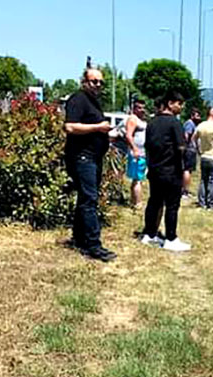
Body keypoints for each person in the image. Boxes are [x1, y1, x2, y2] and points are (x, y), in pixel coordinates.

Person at [62, 67, 116, 262]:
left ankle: (79, 238)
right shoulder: (78, 99)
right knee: (90, 200)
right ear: (84, 82)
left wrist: (106, 134)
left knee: (85, 199)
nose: (98, 85)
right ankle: (93, 245)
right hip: (82, 158)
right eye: (94, 81)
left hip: (93, 157)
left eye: (101, 82)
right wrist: (98, 127)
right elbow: (70, 126)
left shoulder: (93, 102)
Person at [140, 92, 191, 252]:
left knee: (154, 202)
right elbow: (182, 147)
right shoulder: (175, 123)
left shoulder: (152, 122)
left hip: (154, 169)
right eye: (179, 103)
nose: (181, 107)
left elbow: (147, 145)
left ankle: (149, 234)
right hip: (171, 171)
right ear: (170, 103)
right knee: (172, 206)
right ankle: (171, 238)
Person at [124, 99, 148, 208]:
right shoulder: (133, 119)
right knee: (137, 179)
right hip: (137, 153)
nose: (142, 110)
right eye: (139, 107)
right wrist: (135, 149)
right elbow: (128, 135)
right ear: (134, 108)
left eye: (143, 107)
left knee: (139, 179)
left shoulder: (141, 119)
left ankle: (134, 201)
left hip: (143, 153)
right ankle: (137, 203)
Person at [182, 109, 201, 198]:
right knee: (187, 170)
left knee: (189, 170)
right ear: (192, 116)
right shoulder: (190, 123)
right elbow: (187, 135)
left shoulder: (193, 124)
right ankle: (184, 191)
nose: (199, 118)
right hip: (189, 150)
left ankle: (185, 190)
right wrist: (187, 146)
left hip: (191, 149)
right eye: (197, 116)